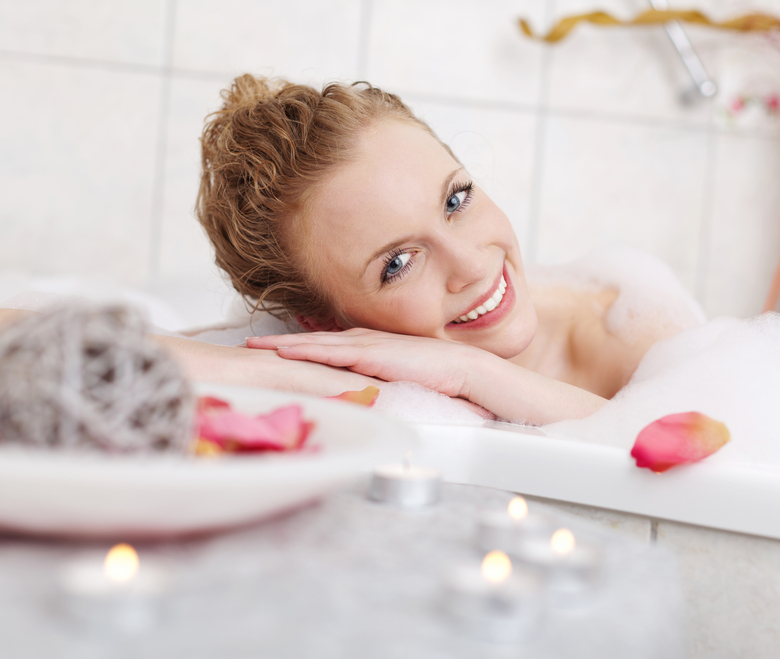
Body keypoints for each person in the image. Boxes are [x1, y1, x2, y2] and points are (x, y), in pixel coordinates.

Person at [0, 75, 702, 425]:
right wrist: (282, 378)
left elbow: (720, 453)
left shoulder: (631, 327)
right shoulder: (325, 351)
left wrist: (470, 373)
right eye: (398, 263)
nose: (471, 263)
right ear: (323, 324)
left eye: (455, 199)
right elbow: (37, 338)